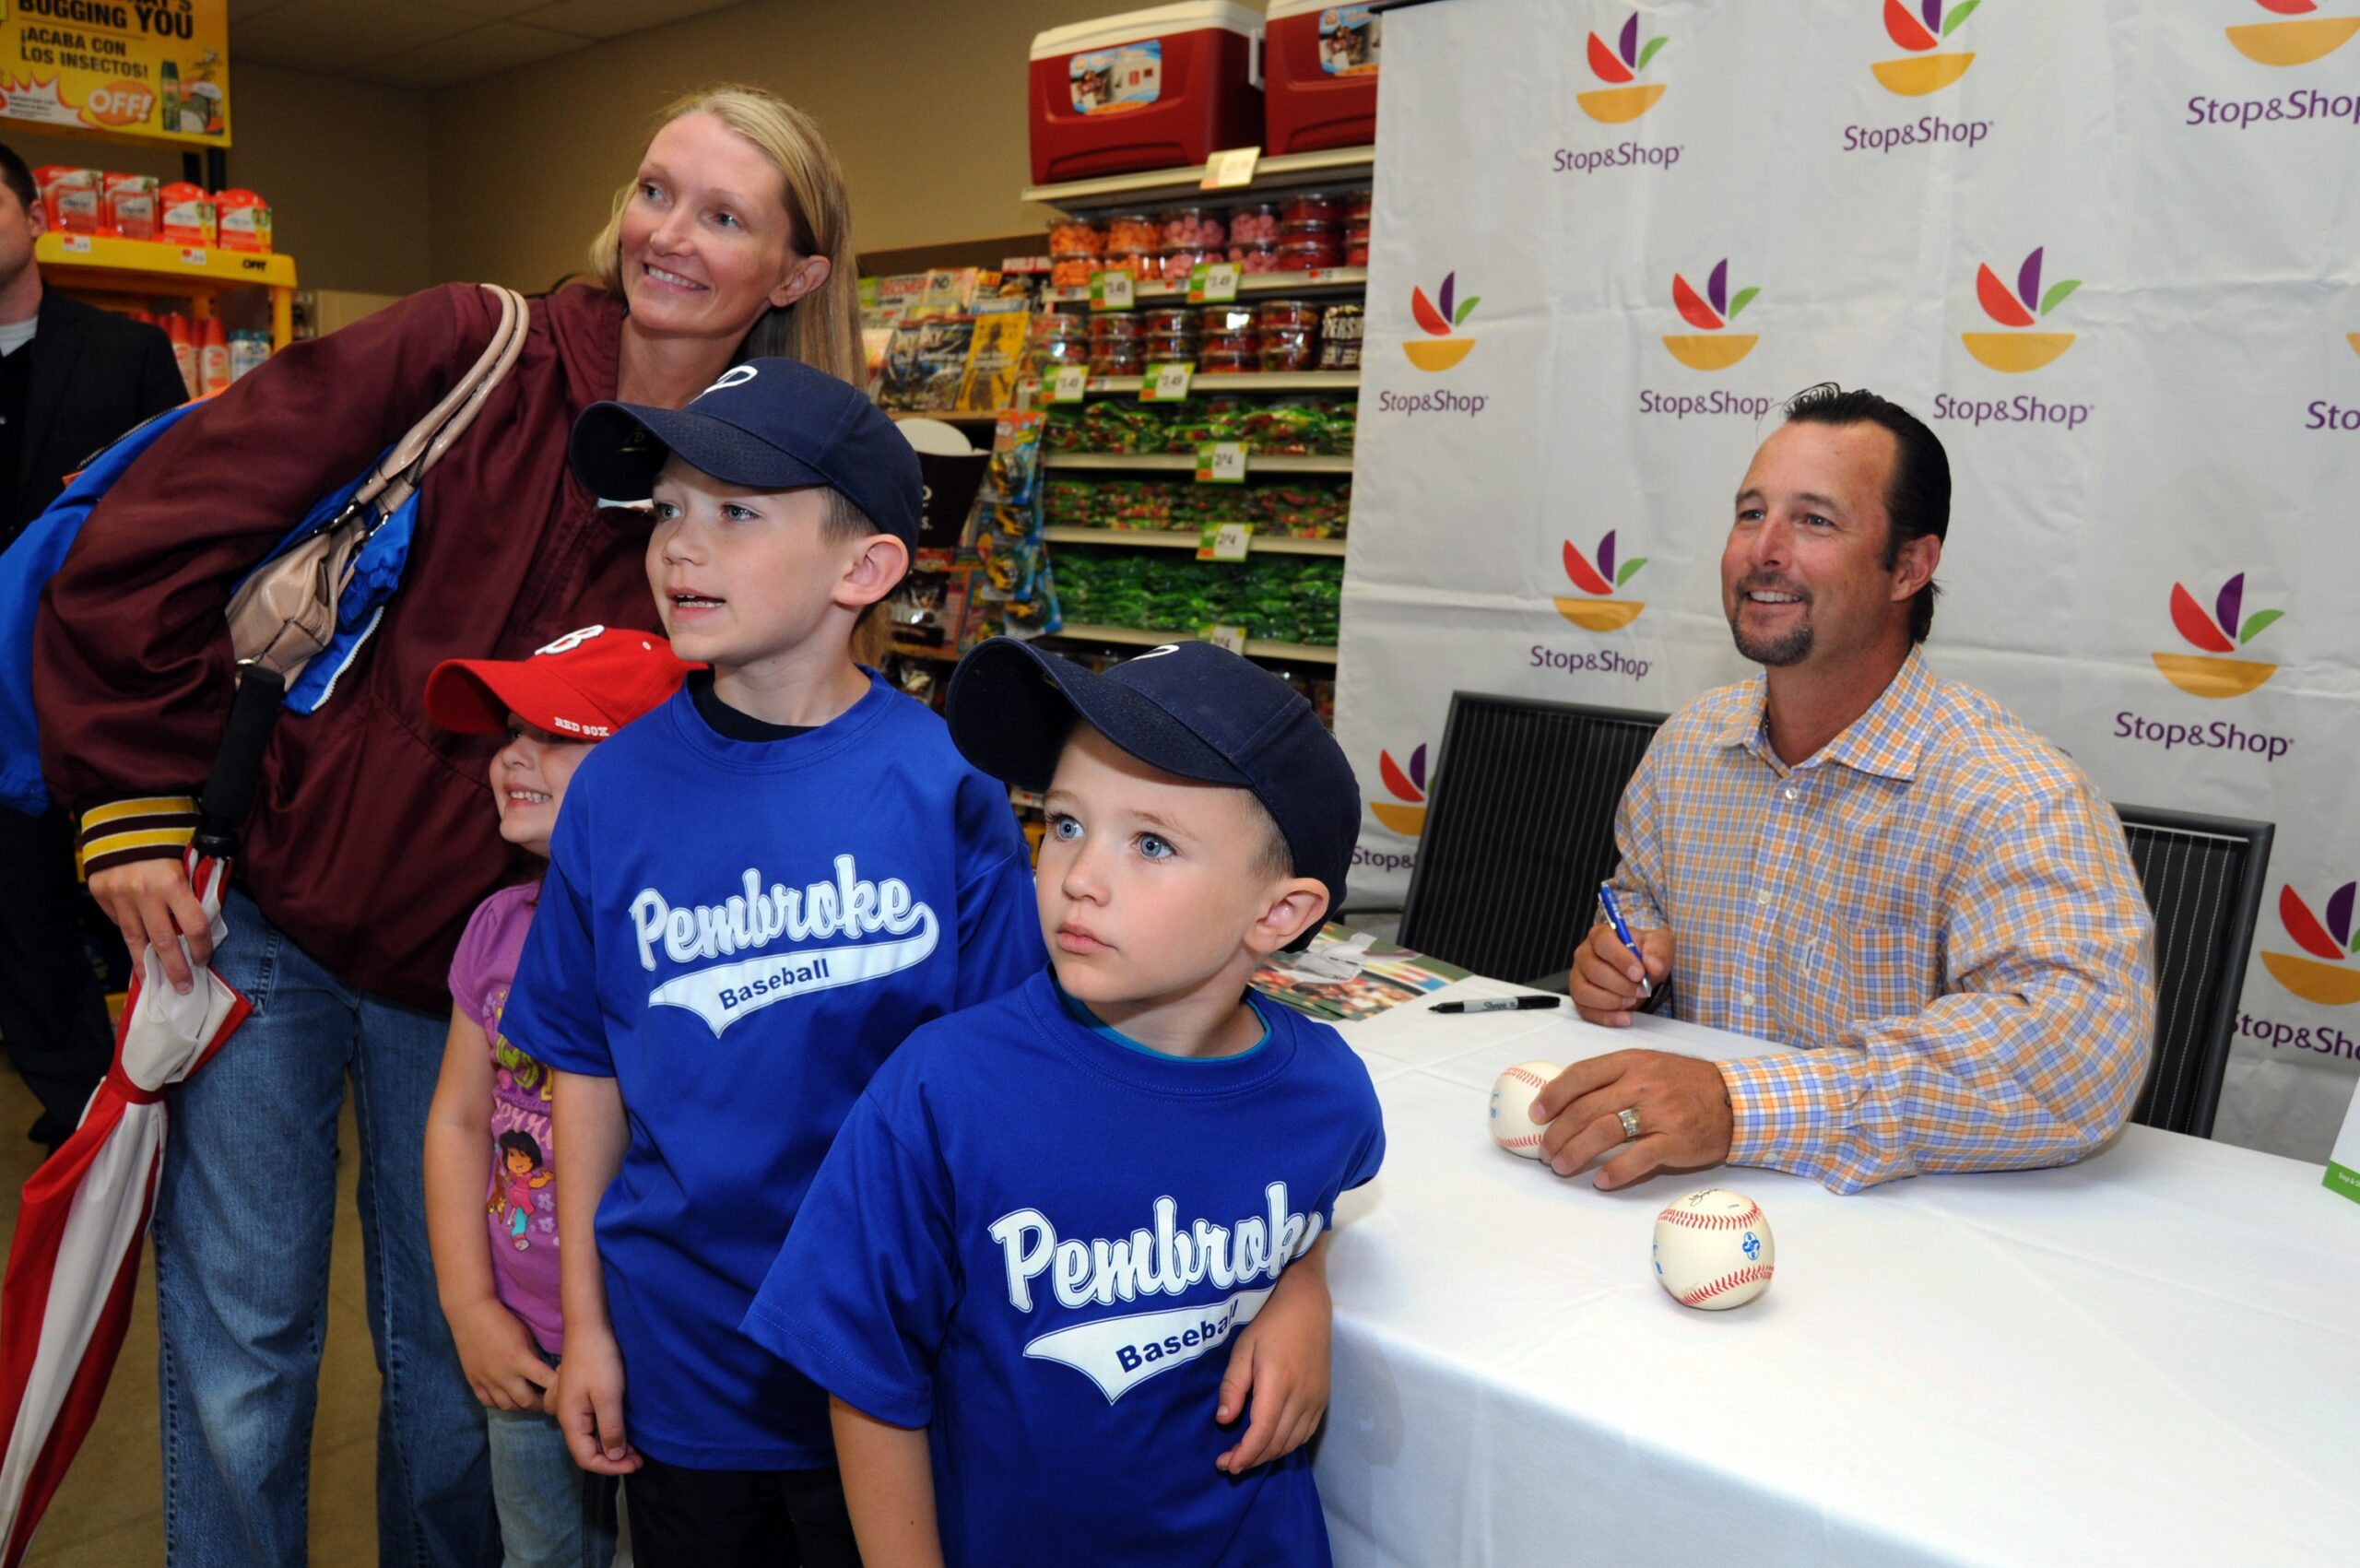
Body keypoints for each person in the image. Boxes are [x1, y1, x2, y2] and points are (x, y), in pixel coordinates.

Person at [33, 85, 862, 1567]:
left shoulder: (770, 473)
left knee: (466, 1386)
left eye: (725, 216)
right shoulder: (466, 349)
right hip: (274, 920)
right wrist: (131, 807)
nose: (668, 235)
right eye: (657, 189)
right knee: (242, 1351)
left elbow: (777, 726)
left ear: (795, 277)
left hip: (512, 985)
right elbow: (151, 528)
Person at [500, 358, 1044, 1566]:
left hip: (889, 1353)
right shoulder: (617, 792)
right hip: (682, 1346)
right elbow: (581, 1070)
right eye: (669, 510)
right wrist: (586, 1323)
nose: (680, 547)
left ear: (864, 569)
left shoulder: (942, 791)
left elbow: (1006, 1090)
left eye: (737, 511)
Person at [750, 637, 1386, 1567]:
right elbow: (865, 1377)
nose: (1077, 876)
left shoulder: (1326, 1090)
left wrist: (1302, 1288)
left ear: (1278, 916)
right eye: (1066, 822)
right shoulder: (945, 1091)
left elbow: (1313, 1203)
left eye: (1152, 843)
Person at [1542, 384, 2154, 1195]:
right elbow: (1637, 907)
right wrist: (1619, 965)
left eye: (1815, 520)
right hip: (1677, 1203)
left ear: (1910, 566)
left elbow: (2076, 1061)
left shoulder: (2015, 791)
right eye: (1751, 512)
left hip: (1908, 1244)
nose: (1765, 548)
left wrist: (1740, 1106)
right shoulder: (1688, 745)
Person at [421, 626, 696, 1568]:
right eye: (509, 730)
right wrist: (469, 1308)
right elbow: (459, 1120)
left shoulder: (687, 951)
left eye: (553, 733)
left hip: (664, 1349)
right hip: (524, 1341)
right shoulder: (497, 928)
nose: (510, 756)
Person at [0, 141, 184, 1159]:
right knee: (21, 916)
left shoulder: (125, 351)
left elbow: (181, 509)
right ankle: (76, 1095)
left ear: (35, 218)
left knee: (132, 895)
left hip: (99, 681)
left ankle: (162, 1085)